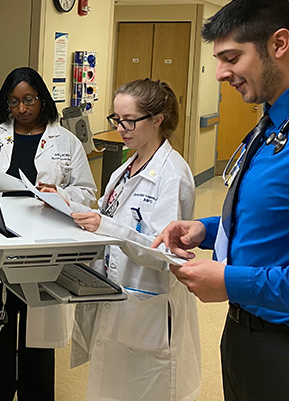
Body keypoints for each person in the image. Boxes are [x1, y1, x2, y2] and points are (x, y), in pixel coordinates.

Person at [152, 0, 289, 401]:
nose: (221, 73)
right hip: (248, 334)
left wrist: (233, 281)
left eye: (231, 57)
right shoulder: (278, 116)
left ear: (279, 44)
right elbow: (284, 213)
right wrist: (206, 230)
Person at [61, 79, 201, 401]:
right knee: (109, 388)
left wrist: (107, 227)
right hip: (116, 298)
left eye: (129, 120)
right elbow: (108, 215)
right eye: (116, 119)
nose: (121, 127)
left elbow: (163, 254)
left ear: (157, 120)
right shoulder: (125, 168)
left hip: (147, 309)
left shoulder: (172, 175)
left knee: (144, 389)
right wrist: (67, 205)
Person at [0, 67, 97, 401]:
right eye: (14, 102)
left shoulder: (65, 140)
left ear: (41, 99)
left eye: (28, 100)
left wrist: (59, 195)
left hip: (42, 246)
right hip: (0, 241)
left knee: (38, 341)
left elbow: (87, 192)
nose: (21, 109)